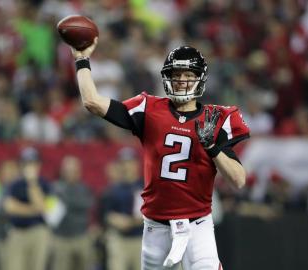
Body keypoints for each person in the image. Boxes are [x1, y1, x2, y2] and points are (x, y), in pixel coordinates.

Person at [70, 39, 250, 270]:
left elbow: (238, 179)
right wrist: (81, 59)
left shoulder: (216, 119)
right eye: (177, 75)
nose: (182, 81)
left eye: (188, 75)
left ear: (200, 78)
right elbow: (92, 101)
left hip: (198, 226)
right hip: (156, 228)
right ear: (167, 77)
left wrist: (212, 147)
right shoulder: (149, 108)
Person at [3, 147, 51, 270]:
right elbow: (9, 207)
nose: (29, 166)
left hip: (38, 232)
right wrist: (34, 210)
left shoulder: (45, 184)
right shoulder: (15, 184)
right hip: (18, 232)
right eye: (26, 163)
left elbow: (44, 208)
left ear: (39, 164)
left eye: (32, 162)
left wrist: (32, 183)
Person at [51, 155, 95, 270]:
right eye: (67, 171)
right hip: (61, 239)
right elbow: (50, 215)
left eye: (73, 171)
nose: (70, 174)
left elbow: (86, 204)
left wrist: (65, 200)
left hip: (81, 237)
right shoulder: (54, 188)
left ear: (79, 172)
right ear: (62, 172)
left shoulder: (84, 188)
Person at [103, 147, 144, 270]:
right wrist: (114, 219)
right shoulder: (113, 188)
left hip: (140, 239)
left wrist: (129, 222)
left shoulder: (145, 186)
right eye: (123, 163)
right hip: (119, 239)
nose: (126, 166)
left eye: (130, 162)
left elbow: (148, 214)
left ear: (137, 164)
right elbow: (106, 214)